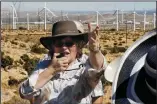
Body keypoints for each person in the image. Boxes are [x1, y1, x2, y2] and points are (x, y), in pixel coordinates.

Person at [19, 20, 108, 104]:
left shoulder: (85, 64)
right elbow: (24, 92)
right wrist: (51, 70)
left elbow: (98, 69)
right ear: (53, 47)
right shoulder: (44, 65)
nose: (64, 47)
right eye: (59, 43)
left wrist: (94, 50)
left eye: (69, 43)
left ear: (77, 46)